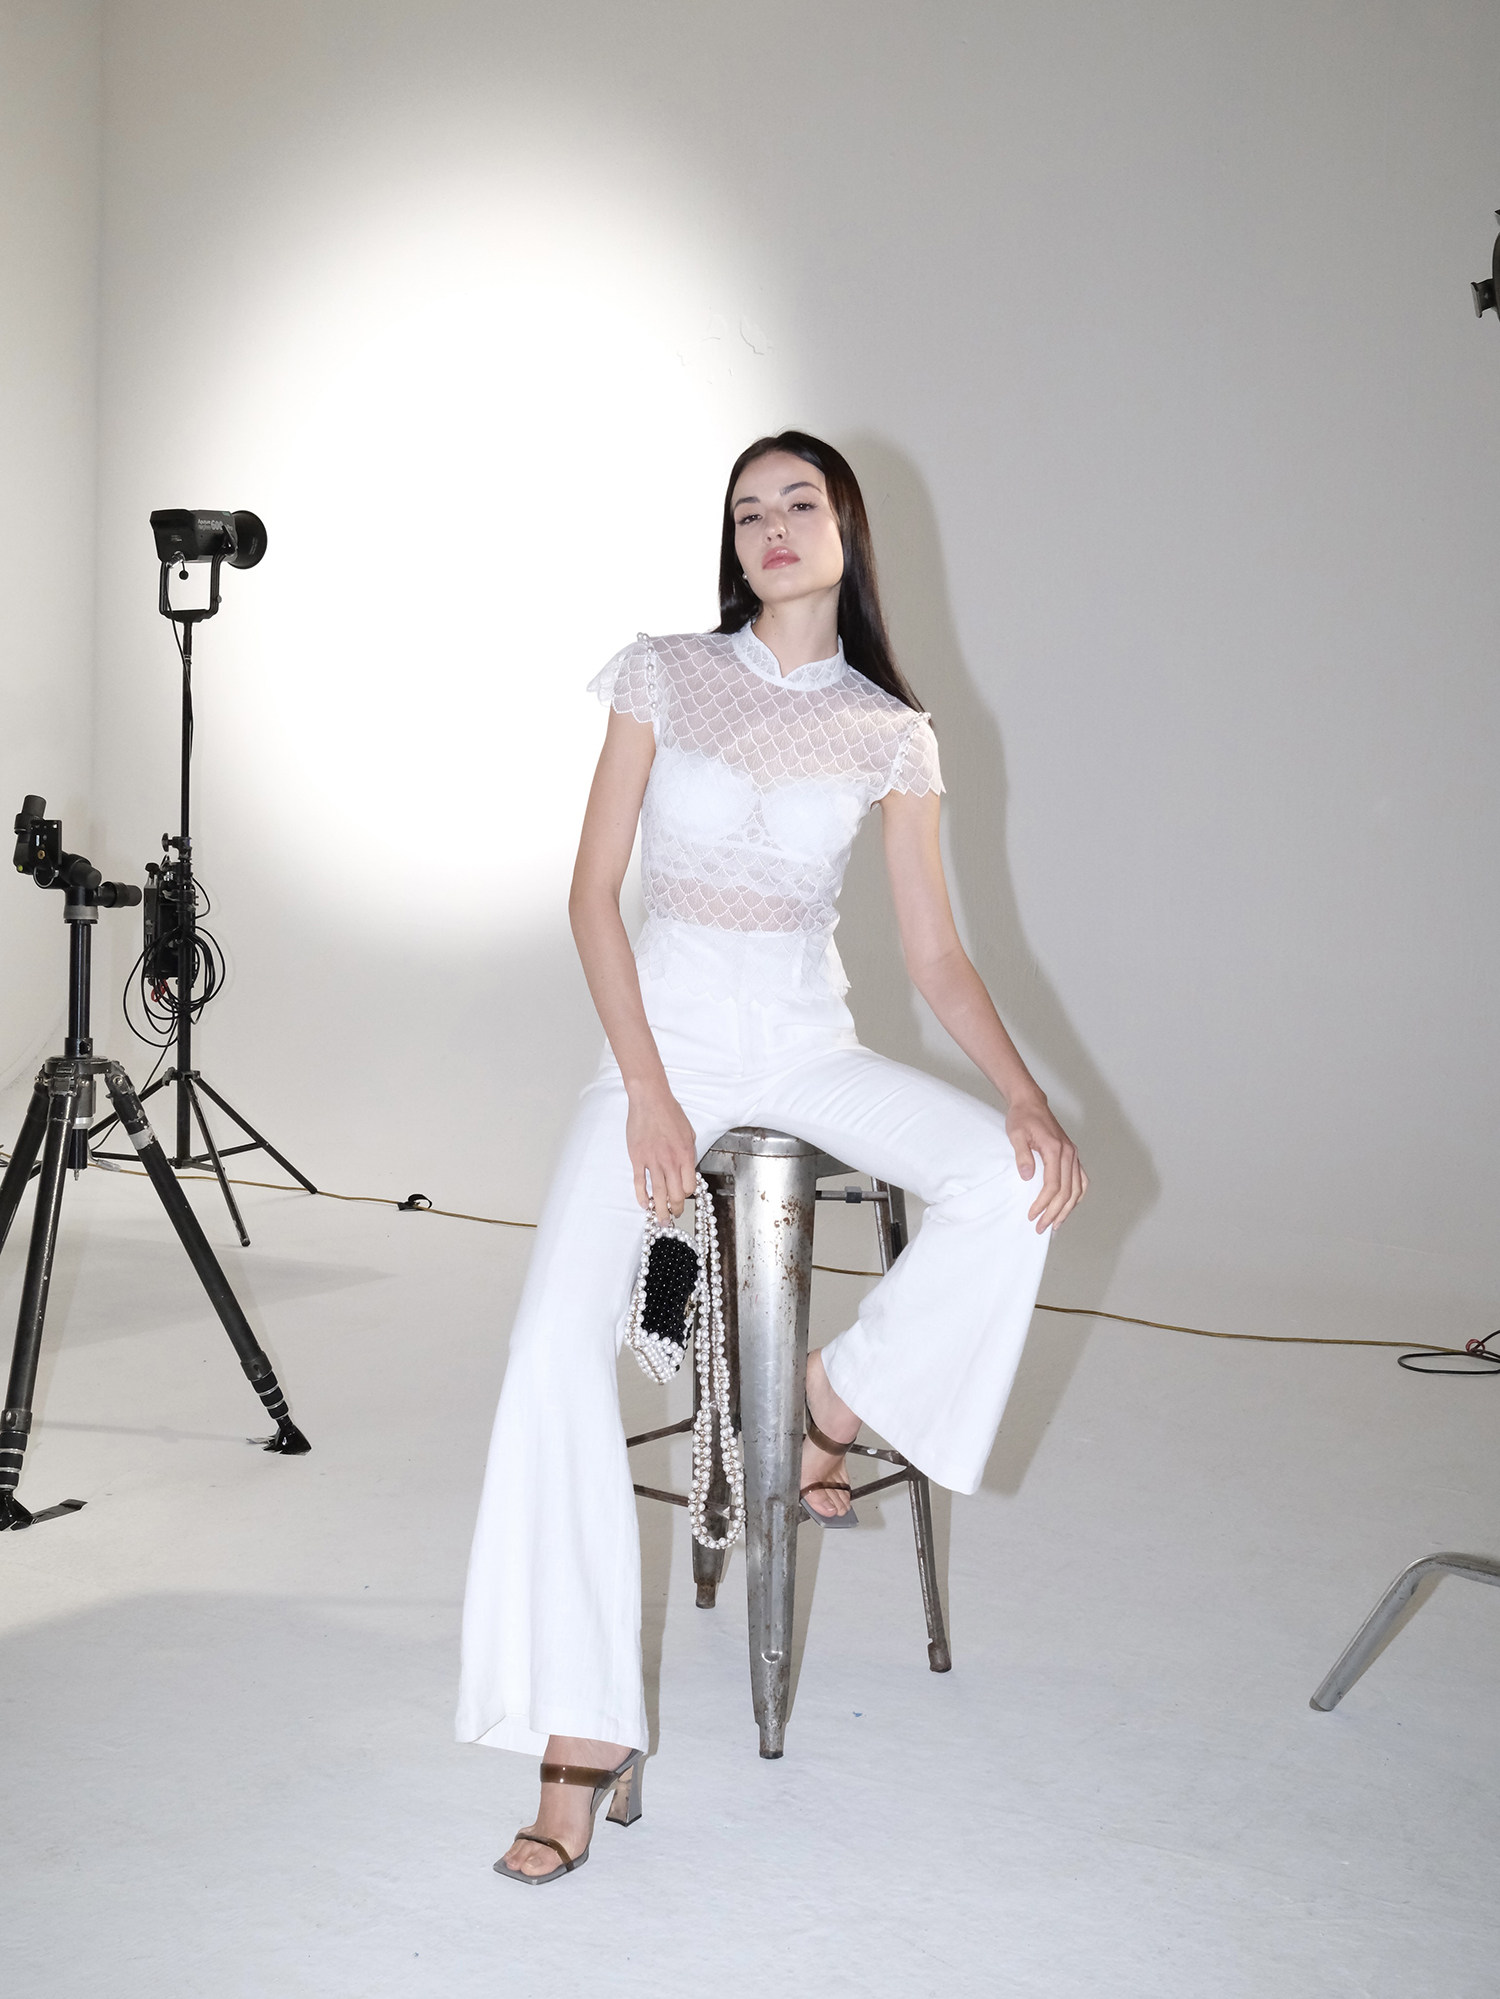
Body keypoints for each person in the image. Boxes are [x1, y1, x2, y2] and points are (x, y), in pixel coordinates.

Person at [457, 430, 1086, 1884]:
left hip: (805, 1047)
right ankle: (580, 1735)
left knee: (1012, 1180)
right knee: (550, 1353)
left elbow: (934, 955)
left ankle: (832, 1398)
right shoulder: (663, 674)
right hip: (660, 1043)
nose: (773, 527)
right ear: (731, 544)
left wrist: (1027, 1098)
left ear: (849, 531)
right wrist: (646, 1089)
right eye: (749, 511)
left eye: (801, 502)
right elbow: (592, 896)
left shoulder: (890, 732)